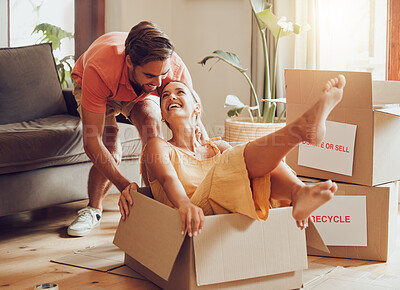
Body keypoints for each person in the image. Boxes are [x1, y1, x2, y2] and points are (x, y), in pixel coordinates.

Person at [120, 75, 346, 237]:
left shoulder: (218, 146)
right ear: (163, 117)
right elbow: (169, 179)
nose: (171, 97)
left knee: (249, 163)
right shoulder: (158, 147)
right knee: (235, 159)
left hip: (231, 208)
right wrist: (185, 205)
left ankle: (299, 192)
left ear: (197, 108)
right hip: (192, 216)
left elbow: (257, 165)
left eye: (180, 92)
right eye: (165, 96)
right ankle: (300, 130)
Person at [67, 21, 207, 237]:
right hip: (98, 87)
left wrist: (207, 151)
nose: (160, 82)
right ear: (130, 62)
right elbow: (91, 142)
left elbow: (194, 123)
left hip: (139, 93)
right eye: (151, 76)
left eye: (163, 74)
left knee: (153, 134)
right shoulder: (100, 69)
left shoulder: (172, 69)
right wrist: (124, 185)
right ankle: (93, 209)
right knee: (109, 147)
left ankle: (151, 205)